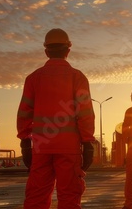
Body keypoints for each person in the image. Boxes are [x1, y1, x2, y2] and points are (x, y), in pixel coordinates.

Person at [16, 28, 96, 209]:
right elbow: (85, 114)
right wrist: (88, 142)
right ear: (68, 50)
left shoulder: (33, 79)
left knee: (36, 197)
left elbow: (24, 113)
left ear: (46, 52)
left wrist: (24, 142)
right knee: (69, 197)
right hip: (69, 149)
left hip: (41, 147)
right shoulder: (78, 78)